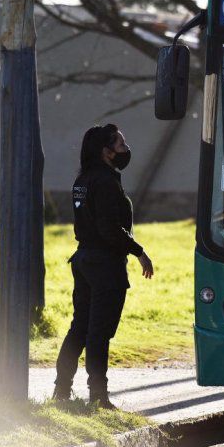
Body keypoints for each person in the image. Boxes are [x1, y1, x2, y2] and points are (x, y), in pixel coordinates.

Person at [53, 124, 154, 409]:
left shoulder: (83, 180)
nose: (126, 149)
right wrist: (139, 252)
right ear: (106, 152)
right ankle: (98, 396)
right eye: (120, 144)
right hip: (105, 265)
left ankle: (62, 390)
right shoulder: (107, 182)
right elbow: (109, 228)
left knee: (80, 327)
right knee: (99, 332)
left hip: (84, 259)